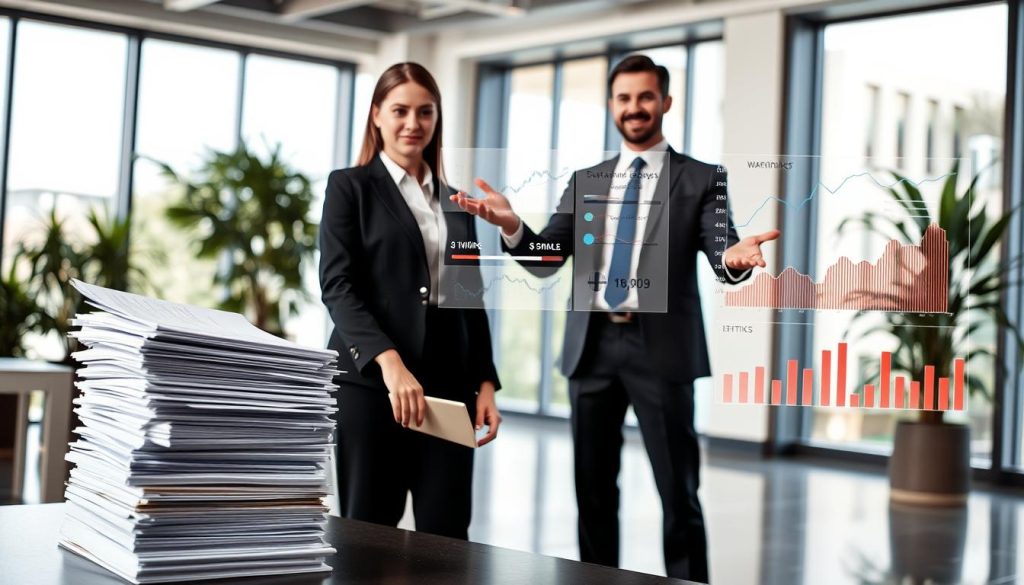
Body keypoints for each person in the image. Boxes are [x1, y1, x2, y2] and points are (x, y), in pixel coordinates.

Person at [451, 54, 779, 582]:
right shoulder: (587, 181)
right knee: (593, 493)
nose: (634, 108)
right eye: (624, 98)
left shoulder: (702, 179)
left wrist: (737, 261)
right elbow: (546, 260)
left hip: (662, 352)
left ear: (665, 102)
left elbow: (725, 252)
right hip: (593, 348)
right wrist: (513, 227)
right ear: (611, 105)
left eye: (646, 97)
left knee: (679, 493)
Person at [319, 62, 502, 540]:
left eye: (425, 112)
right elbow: (337, 286)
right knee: (367, 534)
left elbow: (468, 295)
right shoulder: (349, 188)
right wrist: (390, 363)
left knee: (447, 537)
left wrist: (485, 381)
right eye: (400, 110)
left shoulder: (457, 204)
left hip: (449, 385)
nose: (412, 123)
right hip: (372, 385)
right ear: (377, 114)